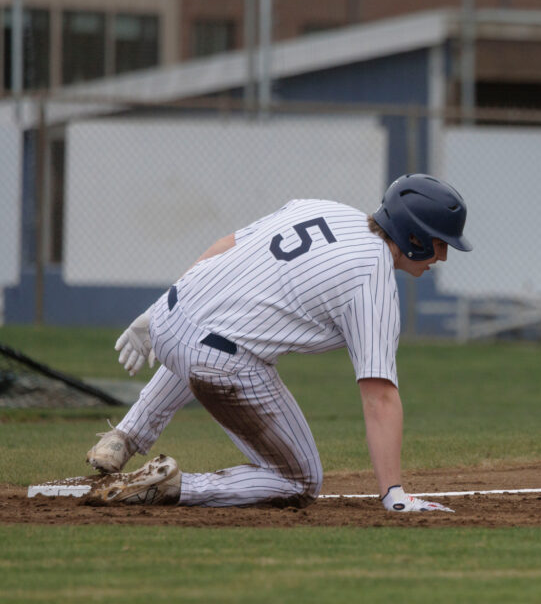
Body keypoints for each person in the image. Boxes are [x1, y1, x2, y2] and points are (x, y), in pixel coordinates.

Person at [84, 174, 471, 512]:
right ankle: (172, 486)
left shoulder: (324, 209)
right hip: (219, 361)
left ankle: (123, 438)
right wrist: (394, 493)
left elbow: (225, 246)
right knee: (300, 482)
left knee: (203, 340)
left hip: (170, 313)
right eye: (441, 243)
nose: (444, 255)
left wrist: (159, 310)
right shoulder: (373, 278)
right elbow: (379, 397)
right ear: (415, 236)